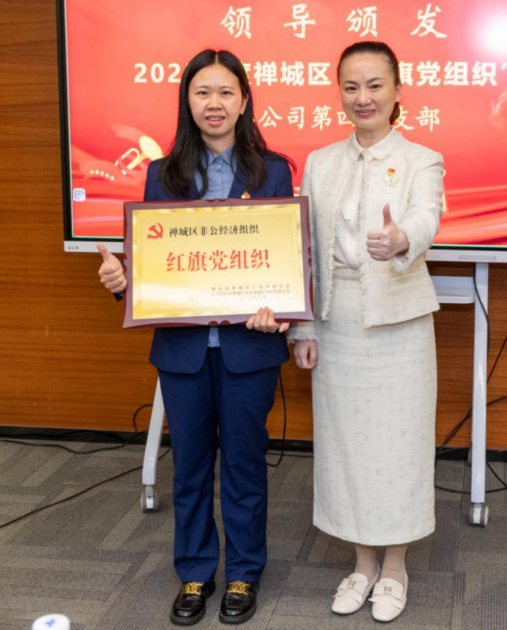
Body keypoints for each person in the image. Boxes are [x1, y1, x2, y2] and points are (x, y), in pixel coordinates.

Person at [97, 49, 294, 626]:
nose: (214, 103)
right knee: (188, 466)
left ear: (245, 100)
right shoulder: (162, 174)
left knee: (244, 464)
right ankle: (195, 570)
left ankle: (244, 571)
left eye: (226, 92)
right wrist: (124, 282)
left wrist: (282, 309)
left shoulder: (273, 171)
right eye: (202, 92)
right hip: (183, 349)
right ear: (187, 100)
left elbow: (287, 255)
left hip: (249, 348)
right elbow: (152, 265)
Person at [288, 41, 444, 623]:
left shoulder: (423, 158)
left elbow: (426, 216)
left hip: (400, 320)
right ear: (340, 93)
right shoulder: (321, 161)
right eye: (352, 86)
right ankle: (361, 563)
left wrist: (402, 240)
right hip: (336, 320)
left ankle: (395, 566)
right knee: (345, 446)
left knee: (400, 445)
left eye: (376, 85)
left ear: (398, 90)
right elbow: (305, 250)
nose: (363, 97)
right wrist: (302, 327)